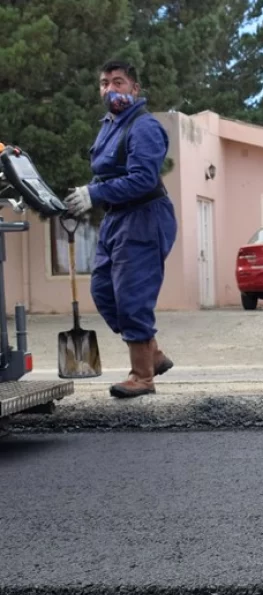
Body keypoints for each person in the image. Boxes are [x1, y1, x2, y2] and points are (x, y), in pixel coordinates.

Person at [64, 60, 177, 398]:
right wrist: (82, 195)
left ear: (135, 89)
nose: (110, 89)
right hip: (116, 218)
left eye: (118, 82)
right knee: (102, 290)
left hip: (144, 216)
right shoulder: (110, 125)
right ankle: (152, 353)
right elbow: (106, 173)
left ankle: (142, 377)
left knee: (132, 297)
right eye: (104, 83)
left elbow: (143, 179)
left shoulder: (143, 127)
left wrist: (95, 193)